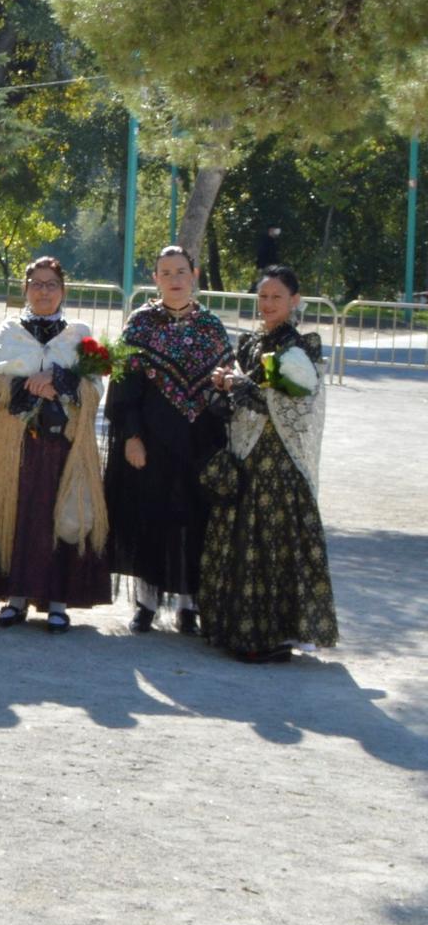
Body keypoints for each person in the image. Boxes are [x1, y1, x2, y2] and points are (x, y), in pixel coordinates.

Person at [197, 266, 338, 662]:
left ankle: (274, 634)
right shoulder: (249, 341)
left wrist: (239, 386)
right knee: (242, 534)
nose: (268, 304)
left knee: (273, 540)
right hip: (247, 452)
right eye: (263, 297)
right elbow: (249, 397)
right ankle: (233, 626)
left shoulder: (301, 345)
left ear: (295, 300)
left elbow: (290, 405)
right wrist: (226, 384)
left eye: (276, 297)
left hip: (279, 458)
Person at [0, 257, 110, 632]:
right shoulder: (9, 332)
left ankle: (58, 601)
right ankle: (14, 598)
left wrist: (59, 380)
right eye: (37, 284)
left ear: (63, 290)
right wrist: (26, 385)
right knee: (19, 514)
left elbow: (95, 387)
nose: (44, 291)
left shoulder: (79, 333)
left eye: (52, 284)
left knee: (60, 514)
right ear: (25, 290)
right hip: (17, 443)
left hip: (64, 444)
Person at [106, 244, 232, 635]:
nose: (174, 280)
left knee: (194, 519)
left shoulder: (212, 326)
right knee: (149, 514)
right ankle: (146, 602)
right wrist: (131, 437)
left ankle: (188, 604)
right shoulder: (141, 324)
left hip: (200, 440)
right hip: (151, 440)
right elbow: (124, 389)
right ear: (155, 279)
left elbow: (228, 387)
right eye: (166, 272)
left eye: (181, 272)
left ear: (194, 275)